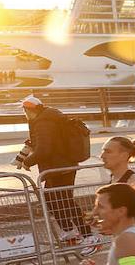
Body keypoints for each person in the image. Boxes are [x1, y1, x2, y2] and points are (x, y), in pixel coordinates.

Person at [13, 95, 92, 243]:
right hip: (61, 166)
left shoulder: (43, 122)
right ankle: (70, 232)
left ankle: (88, 235)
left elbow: (44, 149)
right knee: (55, 200)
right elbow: (40, 141)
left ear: (28, 110)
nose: (24, 114)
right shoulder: (48, 117)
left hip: (59, 167)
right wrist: (22, 156)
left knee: (63, 201)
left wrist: (27, 162)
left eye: (24, 111)